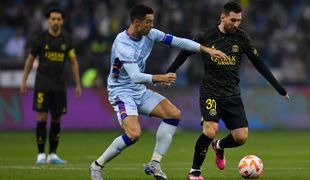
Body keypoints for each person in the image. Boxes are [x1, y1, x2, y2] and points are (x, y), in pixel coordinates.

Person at [89, 4, 227, 180]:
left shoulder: (150, 34)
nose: (152, 25)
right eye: (148, 22)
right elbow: (136, 76)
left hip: (138, 90)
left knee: (173, 114)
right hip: (121, 92)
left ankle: (154, 163)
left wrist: (207, 50)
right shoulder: (122, 44)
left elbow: (178, 41)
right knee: (134, 134)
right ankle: (97, 166)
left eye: (152, 21)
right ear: (136, 22)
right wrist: (160, 78)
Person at [167, 2, 290, 180]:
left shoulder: (242, 38)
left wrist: (279, 88)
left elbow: (258, 63)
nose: (236, 24)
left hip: (232, 94)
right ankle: (194, 172)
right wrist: (170, 71)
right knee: (210, 130)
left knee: (241, 137)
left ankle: (219, 146)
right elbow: (185, 52)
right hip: (210, 91)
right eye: (233, 19)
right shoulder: (206, 35)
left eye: (239, 20)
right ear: (222, 17)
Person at [20, 6, 82, 165]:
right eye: (53, 19)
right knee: (41, 117)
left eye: (58, 19)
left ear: (62, 21)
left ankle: (53, 154)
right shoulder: (39, 38)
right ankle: (40, 154)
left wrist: (78, 84)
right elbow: (29, 60)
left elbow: (74, 62)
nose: (56, 21)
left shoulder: (67, 40)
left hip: (59, 86)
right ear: (48, 21)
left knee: (56, 118)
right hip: (42, 84)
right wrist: (24, 80)